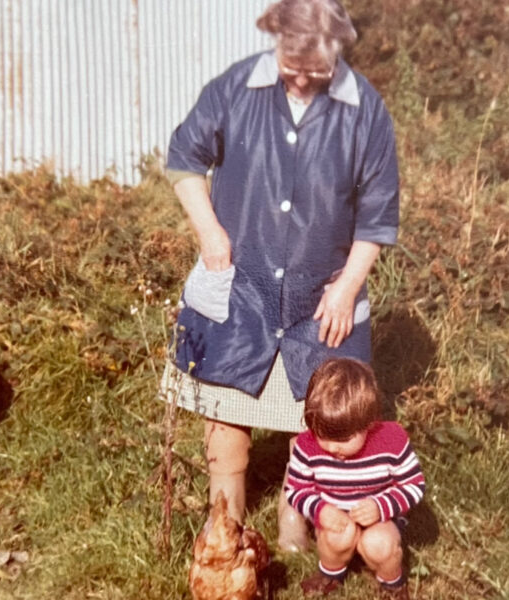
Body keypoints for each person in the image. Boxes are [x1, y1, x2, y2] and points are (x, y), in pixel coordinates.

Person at [163, 0, 400, 551]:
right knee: (224, 424)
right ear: (275, 41)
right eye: (290, 63)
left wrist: (347, 287)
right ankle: (223, 532)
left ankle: (297, 539)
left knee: (314, 423)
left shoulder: (364, 108)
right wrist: (210, 234)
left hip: (321, 299)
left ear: (337, 49)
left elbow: (379, 213)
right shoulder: (237, 88)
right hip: (240, 288)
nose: (298, 78)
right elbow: (182, 158)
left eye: (313, 68)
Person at [285, 358, 425, 598]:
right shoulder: (307, 445)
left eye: (343, 440)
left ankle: (392, 584)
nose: (331, 447)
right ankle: (331, 573)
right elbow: (296, 489)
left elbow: (414, 485)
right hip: (335, 519)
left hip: (381, 520)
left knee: (379, 543)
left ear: (368, 424)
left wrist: (381, 506)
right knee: (335, 537)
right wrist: (320, 510)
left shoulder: (391, 440)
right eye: (323, 436)